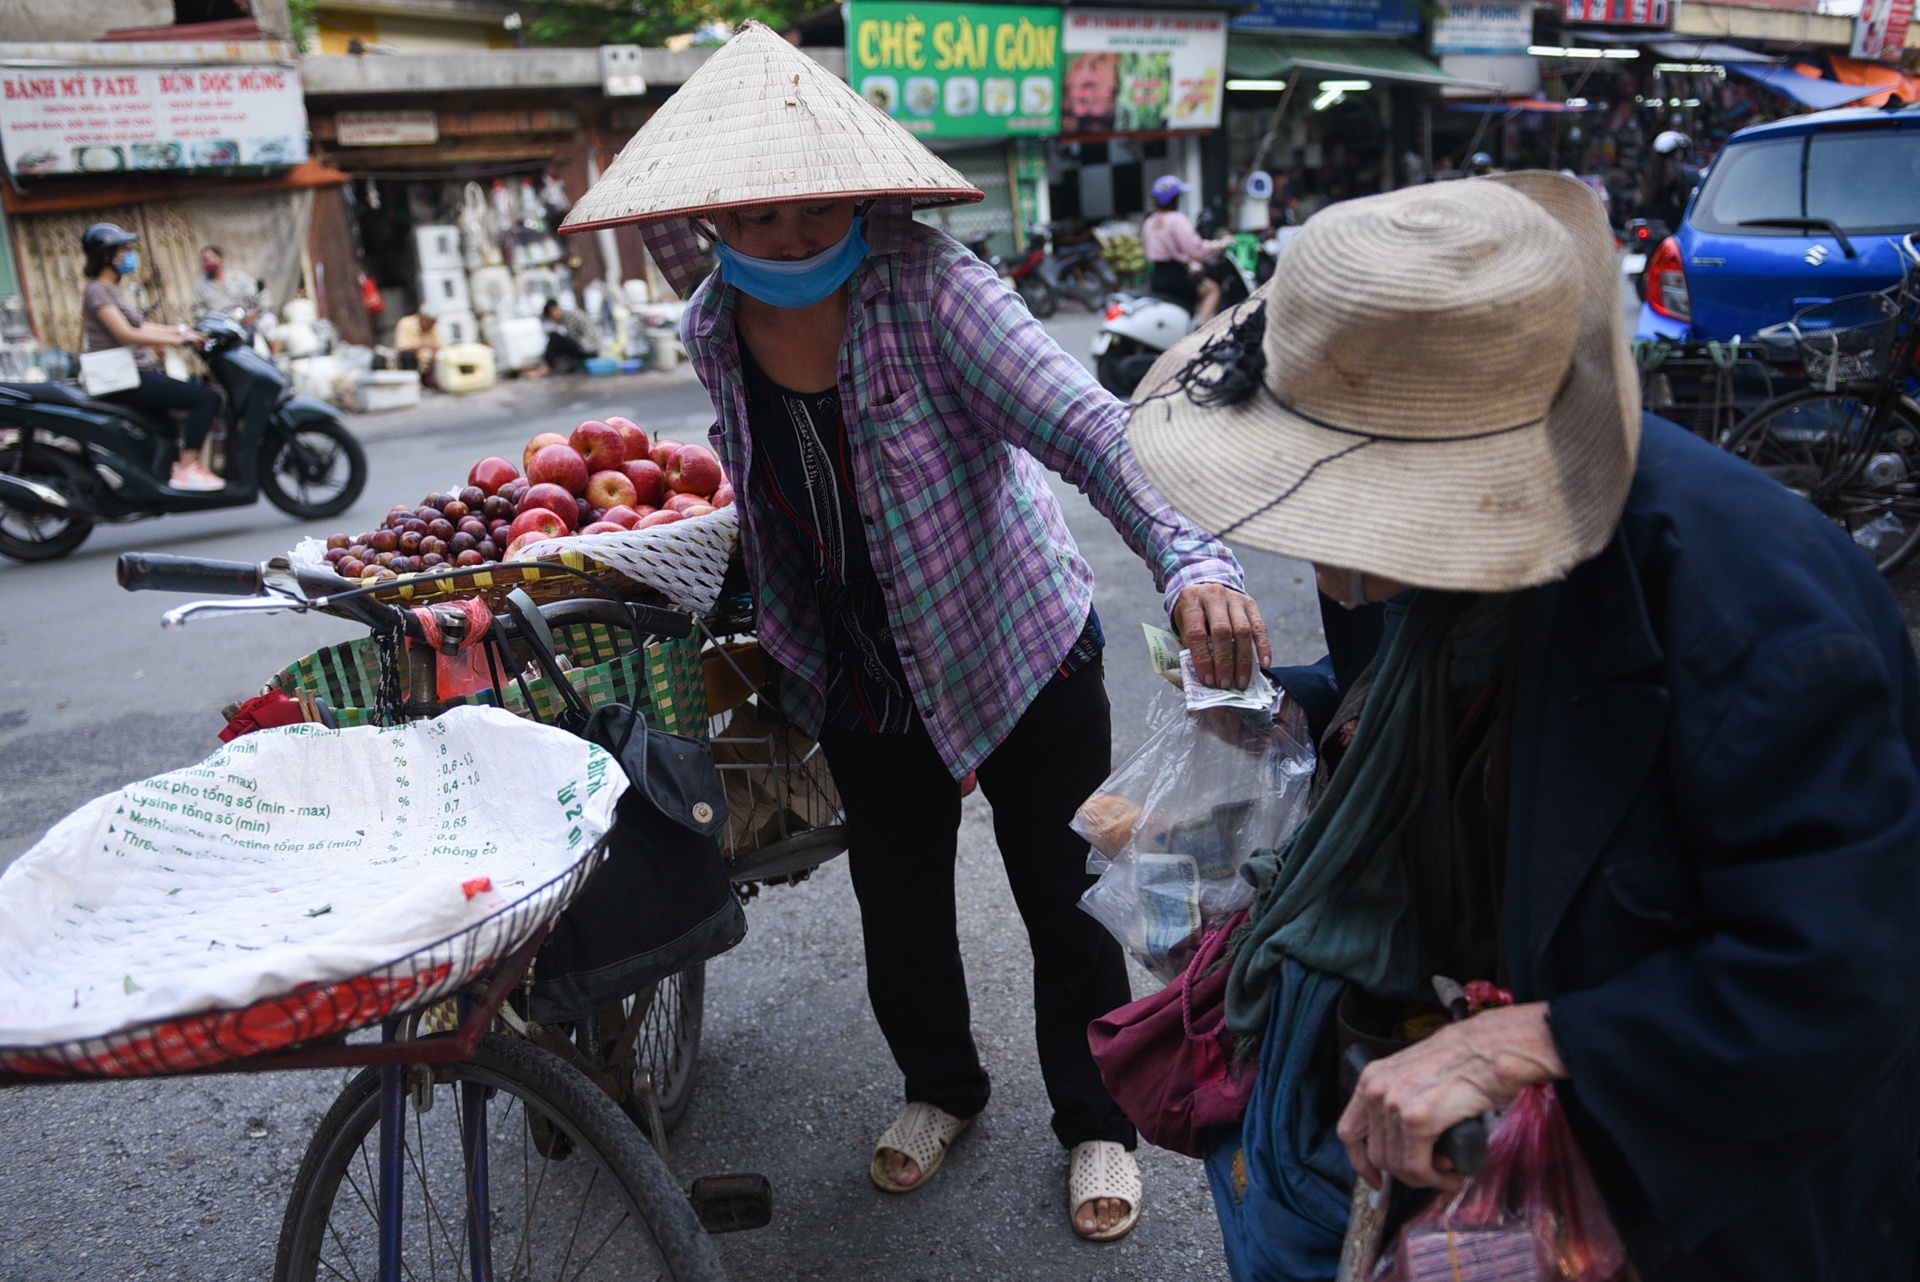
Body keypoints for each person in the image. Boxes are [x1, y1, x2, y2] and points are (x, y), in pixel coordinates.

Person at [1129, 172, 1920, 1279]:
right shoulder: (1450, 560)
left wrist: (1536, 1040)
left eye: (1337, 509)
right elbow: (1427, 711)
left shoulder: (1761, 627)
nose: (1325, 561)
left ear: (1455, 478)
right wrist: (1288, 712)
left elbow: (1845, 978)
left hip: (1711, 1200)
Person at [562, 22, 1271, 1243]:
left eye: (814, 211)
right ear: (716, 221)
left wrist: (1194, 557)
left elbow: (1097, 435)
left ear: (859, 194)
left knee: (1063, 895)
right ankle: (940, 1087)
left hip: (1016, 646)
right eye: (756, 217)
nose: (788, 240)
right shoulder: (711, 321)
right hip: (855, 663)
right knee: (897, 903)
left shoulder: (940, 292)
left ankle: (1093, 1116)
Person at [79, 223, 222, 491]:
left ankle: (161, 478)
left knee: (167, 425)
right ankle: (187, 468)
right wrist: (180, 339)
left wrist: (183, 331)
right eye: (123, 249)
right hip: (127, 378)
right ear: (107, 256)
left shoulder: (111, 289)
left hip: (137, 373)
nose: (130, 254)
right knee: (206, 398)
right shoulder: (98, 290)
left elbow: (140, 326)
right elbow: (126, 334)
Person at [1142, 175, 1229, 326]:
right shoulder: (1177, 219)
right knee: (1213, 289)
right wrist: (1219, 244)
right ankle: (1200, 328)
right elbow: (1195, 250)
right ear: (1175, 199)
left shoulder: (1150, 221)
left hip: (1157, 276)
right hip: (1176, 277)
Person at [190, 244, 263, 326]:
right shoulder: (200, 285)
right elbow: (197, 310)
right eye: (204, 261)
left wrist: (255, 313)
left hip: (244, 320)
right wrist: (212, 318)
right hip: (220, 325)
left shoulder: (239, 278)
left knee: (268, 321)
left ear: (219, 259)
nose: (205, 264)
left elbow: (260, 296)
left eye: (207, 260)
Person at [539, 297, 601, 373]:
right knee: (557, 339)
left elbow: (573, 338)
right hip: (586, 346)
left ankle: (546, 367)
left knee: (554, 337)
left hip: (588, 347)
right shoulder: (565, 316)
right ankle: (548, 366)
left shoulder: (569, 316)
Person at [392, 309, 441, 387]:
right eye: (430, 323)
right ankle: (411, 384)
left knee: (440, 356)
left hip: (426, 360)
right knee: (407, 355)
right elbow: (402, 346)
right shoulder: (405, 323)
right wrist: (424, 345)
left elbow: (439, 345)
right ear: (422, 318)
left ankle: (432, 383)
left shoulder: (432, 328)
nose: (432, 326)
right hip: (410, 358)